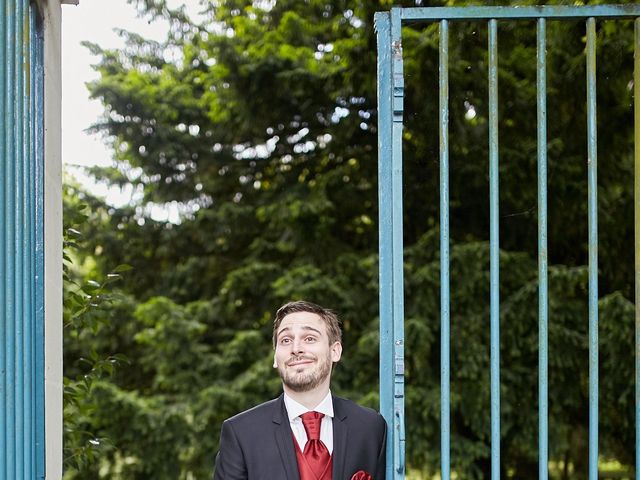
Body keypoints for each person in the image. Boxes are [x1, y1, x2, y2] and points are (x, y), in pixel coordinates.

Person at [213, 300, 387, 480]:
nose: (296, 349)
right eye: (286, 340)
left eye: (309, 338)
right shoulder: (240, 432)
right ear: (275, 357)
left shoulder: (371, 428)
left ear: (335, 351)